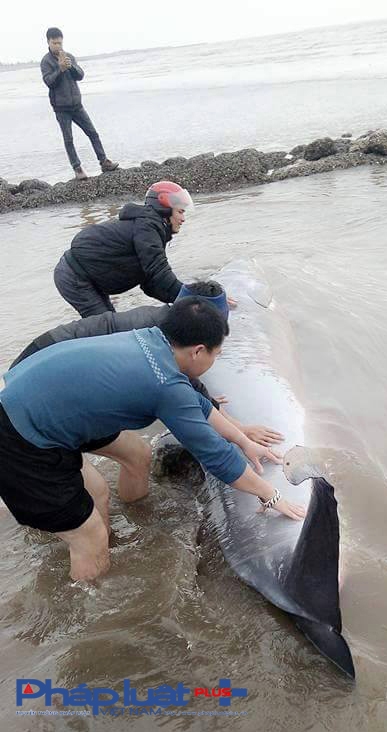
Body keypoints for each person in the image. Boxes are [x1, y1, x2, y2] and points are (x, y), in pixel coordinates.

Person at [0, 297, 305, 581]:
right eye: (216, 353)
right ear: (198, 351)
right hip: (21, 438)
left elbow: (197, 405)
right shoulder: (165, 384)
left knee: (137, 455)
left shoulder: (151, 340)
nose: (215, 360)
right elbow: (217, 458)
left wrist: (243, 440)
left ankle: (129, 524)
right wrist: (271, 494)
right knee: (89, 536)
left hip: (43, 408)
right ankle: (87, 610)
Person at [10, 280, 284, 448]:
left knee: (135, 456)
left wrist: (211, 404)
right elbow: (184, 389)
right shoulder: (161, 340)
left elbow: (190, 388)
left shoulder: (169, 324)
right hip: (45, 360)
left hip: (52, 358)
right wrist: (240, 430)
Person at [53, 181, 224, 319]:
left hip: (88, 278)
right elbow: (160, 274)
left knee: (110, 322)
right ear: (164, 209)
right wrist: (198, 301)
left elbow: (152, 284)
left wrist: (191, 301)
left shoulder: (150, 228)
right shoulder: (147, 227)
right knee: (107, 329)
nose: (183, 219)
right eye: (180, 212)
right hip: (75, 277)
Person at [40, 27, 118, 180]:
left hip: (77, 105)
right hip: (61, 108)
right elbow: (49, 82)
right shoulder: (45, 62)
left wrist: (71, 67)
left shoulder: (69, 56)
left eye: (60, 43)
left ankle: (104, 162)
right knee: (69, 139)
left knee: (93, 133)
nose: (58, 46)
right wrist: (60, 69)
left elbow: (80, 76)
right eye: (55, 43)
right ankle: (77, 168)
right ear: (48, 42)